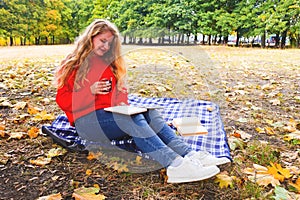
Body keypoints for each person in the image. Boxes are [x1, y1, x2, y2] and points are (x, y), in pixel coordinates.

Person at [55, 19, 229, 183]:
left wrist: (123, 103)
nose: (106, 46)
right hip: (86, 122)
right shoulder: (74, 64)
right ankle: (175, 165)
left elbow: (118, 95)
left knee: (148, 113)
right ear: (90, 38)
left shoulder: (109, 64)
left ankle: (190, 154)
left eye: (110, 44)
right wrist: (90, 91)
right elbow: (62, 100)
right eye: (102, 41)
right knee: (129, 119)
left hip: (109, 117)